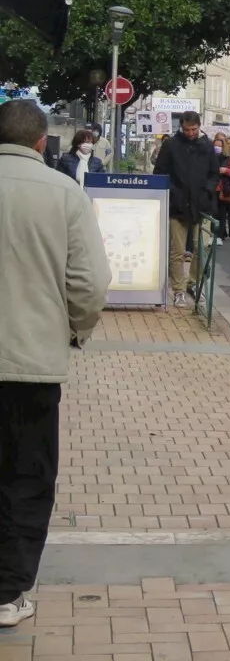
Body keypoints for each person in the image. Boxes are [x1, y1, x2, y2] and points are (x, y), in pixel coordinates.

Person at [0, 100, 110, 628]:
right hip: (32, 362)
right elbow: (90, 284)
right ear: (43, 142)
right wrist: (75, 330)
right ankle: (8, 589)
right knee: (27, 474)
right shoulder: (64, 192)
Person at [152, 112, 219, 307]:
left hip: (202, 204)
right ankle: (179, 290)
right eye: (187, 129)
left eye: (194, 129)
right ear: (181, 127)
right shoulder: (171, 145)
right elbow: (160, 172)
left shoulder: (206, 146)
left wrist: (207, 190)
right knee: (178, 251)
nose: (190, 133)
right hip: (178, 205)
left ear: (199, 126)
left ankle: (194, 283)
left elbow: (214, 174)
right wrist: (174, 192)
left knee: (201, 249)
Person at [212, 132, 230, 243]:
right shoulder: (209, 157)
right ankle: (214, 233)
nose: (217, 148)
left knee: (221, 213)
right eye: (215, 145)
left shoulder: (229, 158)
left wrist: (225, 170)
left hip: (222, 188)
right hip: (212, 188)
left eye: (220, 146)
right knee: (214, 212)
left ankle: (220, 235)